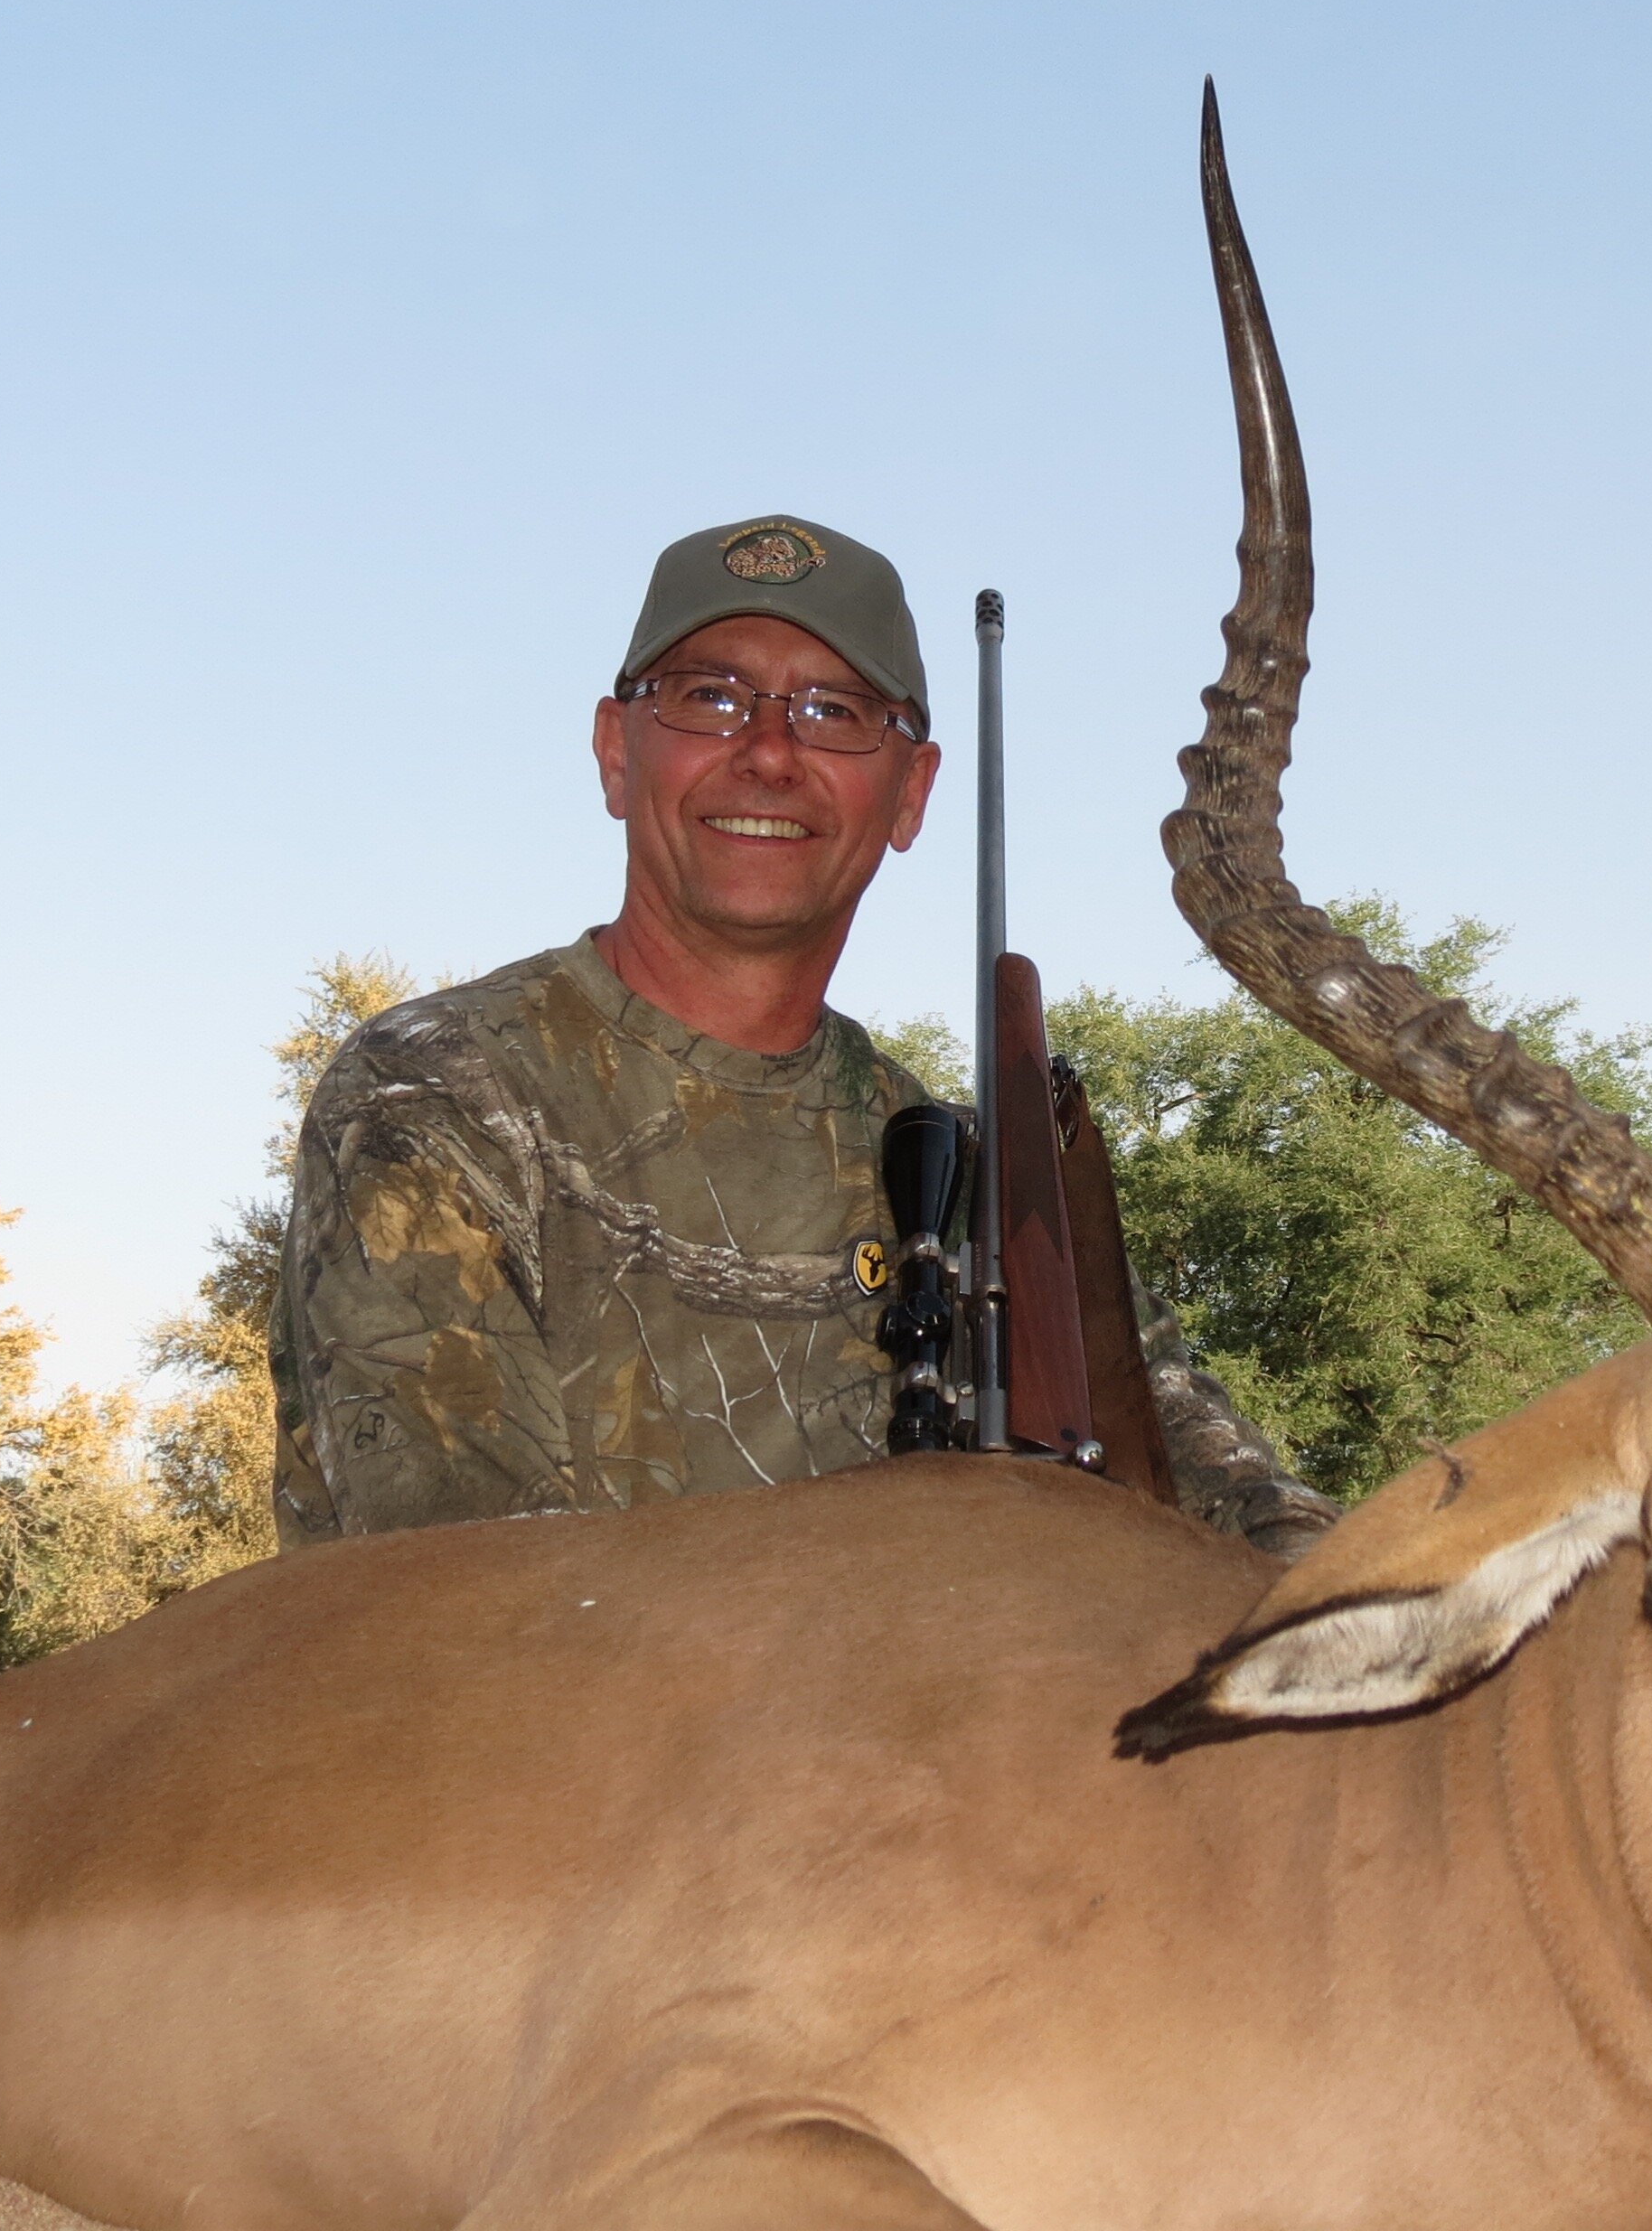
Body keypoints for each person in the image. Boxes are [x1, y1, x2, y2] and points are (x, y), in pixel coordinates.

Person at [269, 512, 1338, 1556]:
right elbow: (479, 1594)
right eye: (711, 699)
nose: (771, 754)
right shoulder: (437, 1095)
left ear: (910, 795)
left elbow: (1250, 1512)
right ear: (613, 751)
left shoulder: (969, 1177)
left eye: (835, 712)